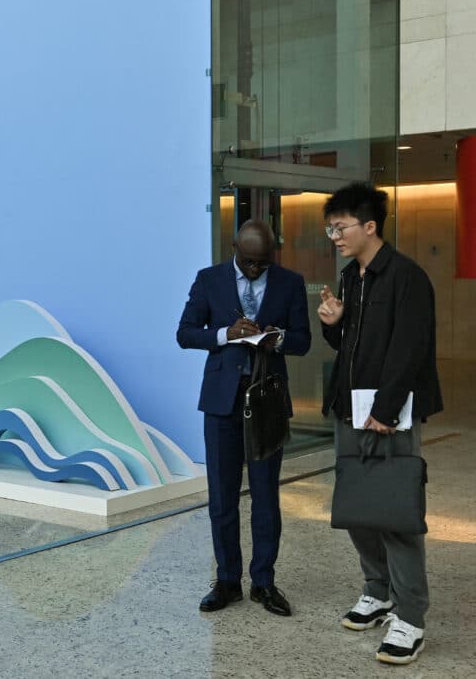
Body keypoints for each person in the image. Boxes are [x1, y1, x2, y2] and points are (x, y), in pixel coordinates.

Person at [317, 182, 442, 666]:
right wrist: (335, 323)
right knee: (358, 505)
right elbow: (350, 348)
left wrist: (387, 410)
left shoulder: (406, 277)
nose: (334, 236)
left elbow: (411, 348)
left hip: (391, 413)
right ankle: (378, 591)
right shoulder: (351, 278)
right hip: (350, 407)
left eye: (340, 227)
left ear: (371, 226)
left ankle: (411, 616)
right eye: (330, 228)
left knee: (395, 513)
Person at [177, 220, 311, 617]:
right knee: (222, 497)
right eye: (249, 262)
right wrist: (226, 334)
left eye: (263, 264)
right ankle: (228, 581)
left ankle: (264, 583)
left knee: (267, 497)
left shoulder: (290, 282)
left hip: (268, 402)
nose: (256, 269)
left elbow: (302, 341)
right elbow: (185, 333)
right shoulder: (208, 280)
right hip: (221, 404)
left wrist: (278, 338)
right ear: (234, 247)